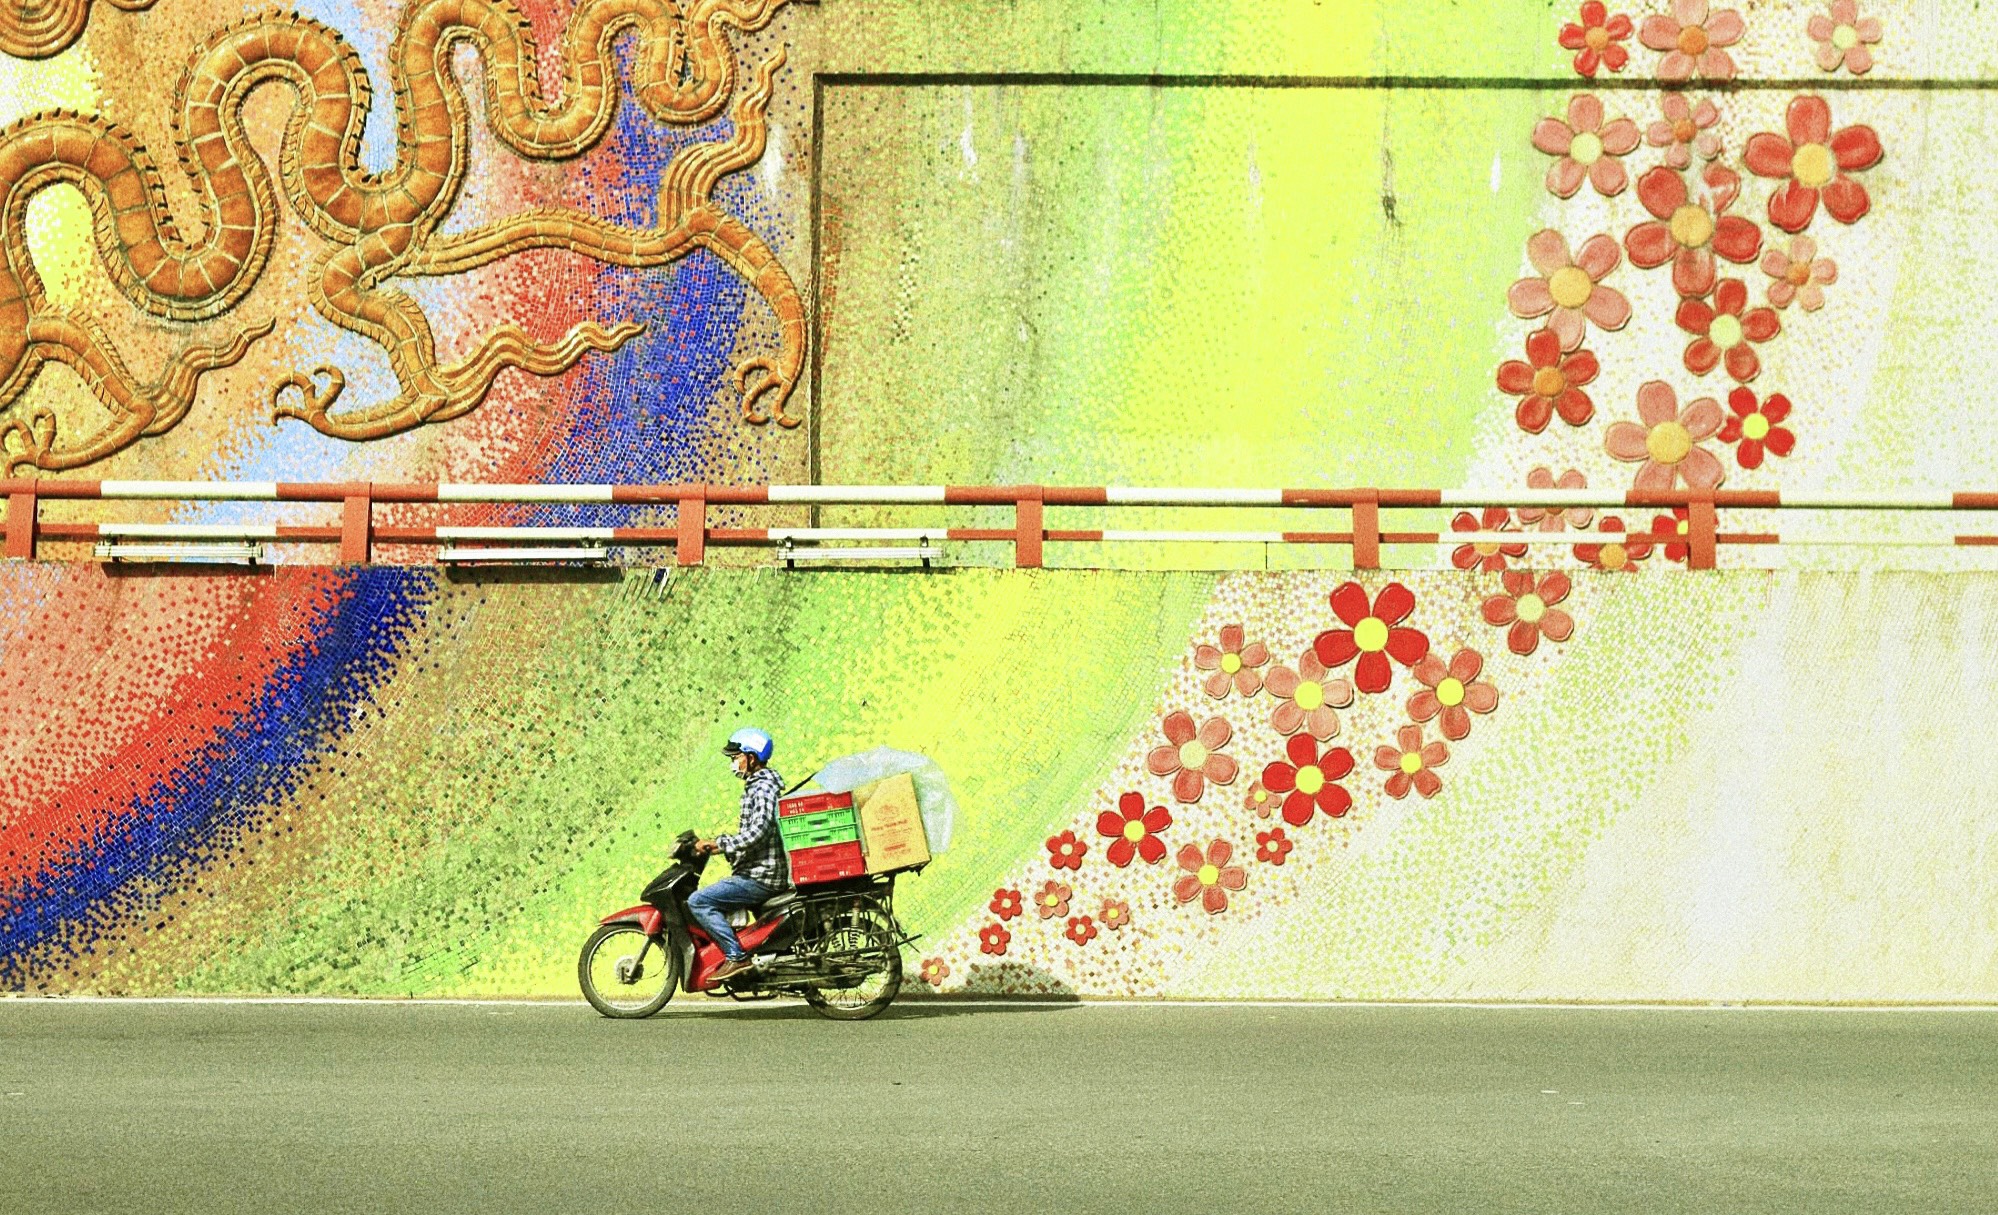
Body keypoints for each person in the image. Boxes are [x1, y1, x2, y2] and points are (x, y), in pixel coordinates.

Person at [692, 727, 787, 983]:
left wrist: (721, 843)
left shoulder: (763, 787)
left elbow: (758, 832)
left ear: (752, 758)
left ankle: (736, 956)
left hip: (761, 876)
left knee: (699, 902)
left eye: (736, 757)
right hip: (756, 872)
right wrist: (718, 846)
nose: (733, 763)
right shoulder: (756, 785)